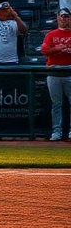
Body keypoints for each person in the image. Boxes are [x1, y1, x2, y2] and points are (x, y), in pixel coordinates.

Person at [42, 8, 71, 141]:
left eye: (67, 17)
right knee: (56, 104)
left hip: (70, 69)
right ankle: (56, 132)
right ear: (58, 18)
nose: (64, 19)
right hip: (54, 71)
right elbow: (44, 50)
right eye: (62, 16)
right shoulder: (51, 34)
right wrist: (57, 49)